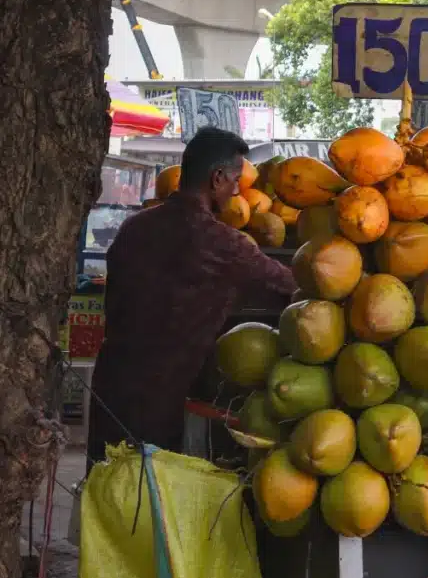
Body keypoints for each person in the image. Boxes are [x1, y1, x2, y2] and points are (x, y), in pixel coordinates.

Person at [86, 128, 297, 467]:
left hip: (109, 387)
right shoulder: (223, 244)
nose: (236, 192)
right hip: (159, 402)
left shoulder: (133, 229)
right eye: (235, 181)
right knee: (149, 505)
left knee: (104, 497)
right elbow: (292, 288)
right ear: (217, 178)